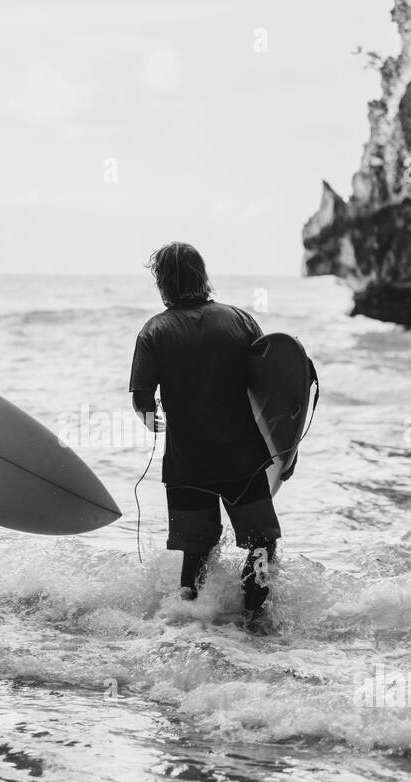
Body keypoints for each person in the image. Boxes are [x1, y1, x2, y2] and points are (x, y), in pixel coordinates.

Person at [129, 241, 282, 627]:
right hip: (243, 459)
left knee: (196, 549)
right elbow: (272, 385)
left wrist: (159, 414)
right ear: (203, 275)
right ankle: (256, 616)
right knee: (261, 543)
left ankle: (186, 621)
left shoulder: (154, 331)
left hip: (187, 462)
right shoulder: (239, 320)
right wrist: (284, 451)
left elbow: (144, 402)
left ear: (162, 281)